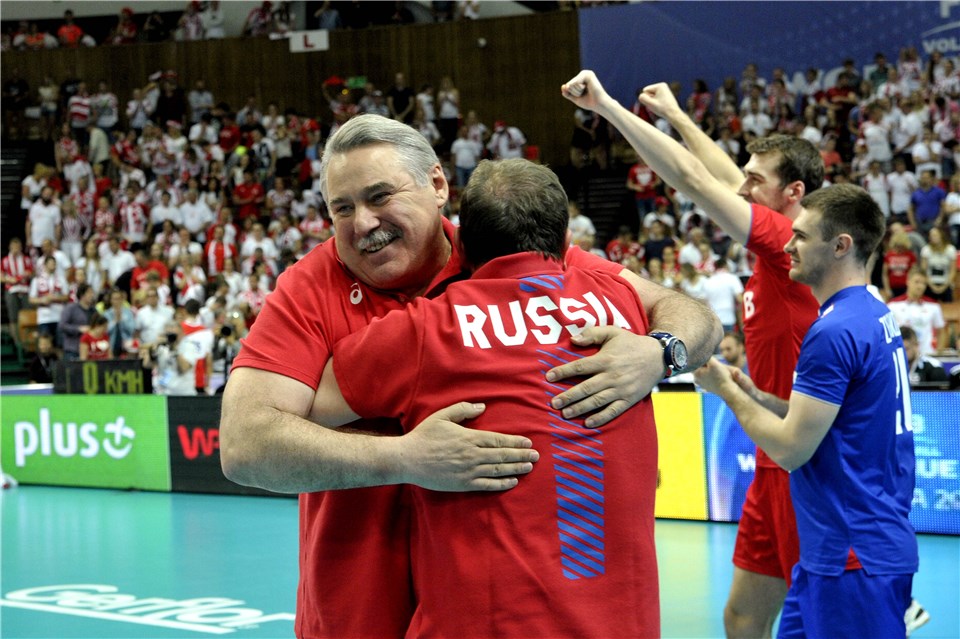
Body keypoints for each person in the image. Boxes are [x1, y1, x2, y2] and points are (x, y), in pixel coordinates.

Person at [219, 114, 721, 638]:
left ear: (438, 185)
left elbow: (688, 313)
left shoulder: (501, 248)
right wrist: (405, 458)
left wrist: (660, 352)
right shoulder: (308, 288)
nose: (362, 222)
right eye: (341, 208)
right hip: (355, 615)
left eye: (380, 196)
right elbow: (245, 446)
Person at [312, 158, 663, 637]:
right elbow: (688, 312)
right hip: (627, 623)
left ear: (464, 248)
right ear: (565, 243)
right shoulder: (623, 303)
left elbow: (308, 405)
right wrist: (663, 351)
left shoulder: (426, 329)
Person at [561, 70, 822, 639]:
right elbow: (721, 176)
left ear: (792, 194)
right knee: (742, 618)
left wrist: (606, 104)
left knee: (818, 619)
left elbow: (693, 178)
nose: (743, 189)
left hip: (806, 461)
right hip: (770, 459)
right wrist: (677, 117)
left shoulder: (789, 246)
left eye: (756, 182)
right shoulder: (774, 242)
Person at [694, 184, 918, 638]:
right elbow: (833, 419)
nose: (788, 245)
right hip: (835, 551)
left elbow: (791, 450)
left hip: (852, 555)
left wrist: (725, 392)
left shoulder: (833, 330)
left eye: (801, 236)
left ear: (840, 246)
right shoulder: (871, 310)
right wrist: (756, 394)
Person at [888, 270, 947, 357]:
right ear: (908, 281)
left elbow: (941, 331)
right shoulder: (893, 305)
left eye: (923, 283)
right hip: (901, 355)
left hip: (927, 355)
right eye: (917, 282)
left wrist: (938, 352)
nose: (920, 286)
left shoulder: (933, 306)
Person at [60, 283, 97, 361]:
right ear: (82, 295)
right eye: (89, 292)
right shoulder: (71, 308)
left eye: (92, 292)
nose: (92, 295)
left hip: (89, 349)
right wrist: (78, 329)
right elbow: (62, 325)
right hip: (73, 348)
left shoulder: (94, 311)